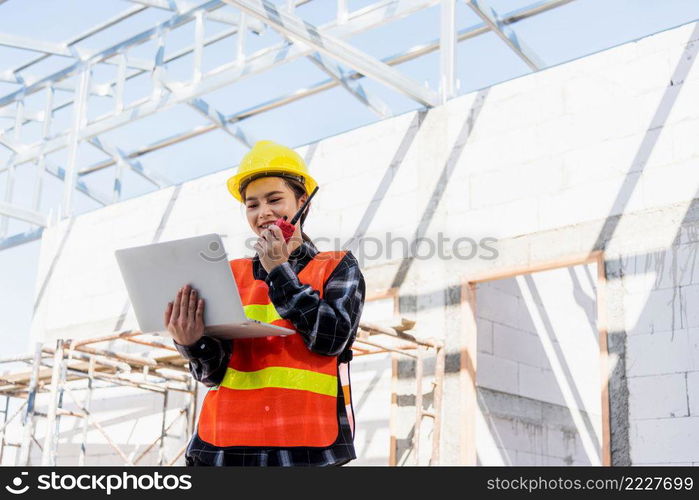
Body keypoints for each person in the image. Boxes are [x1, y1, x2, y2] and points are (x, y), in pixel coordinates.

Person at [163, 140, 365, 466]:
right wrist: (191, 342)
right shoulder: (230, 275)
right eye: (252, 205)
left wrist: (280, 273)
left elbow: (330, 340)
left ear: (303, 203)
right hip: (224, 448)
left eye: (274, 200)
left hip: (304, 449)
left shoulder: (337, 266)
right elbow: (213, 374)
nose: (263, 213)